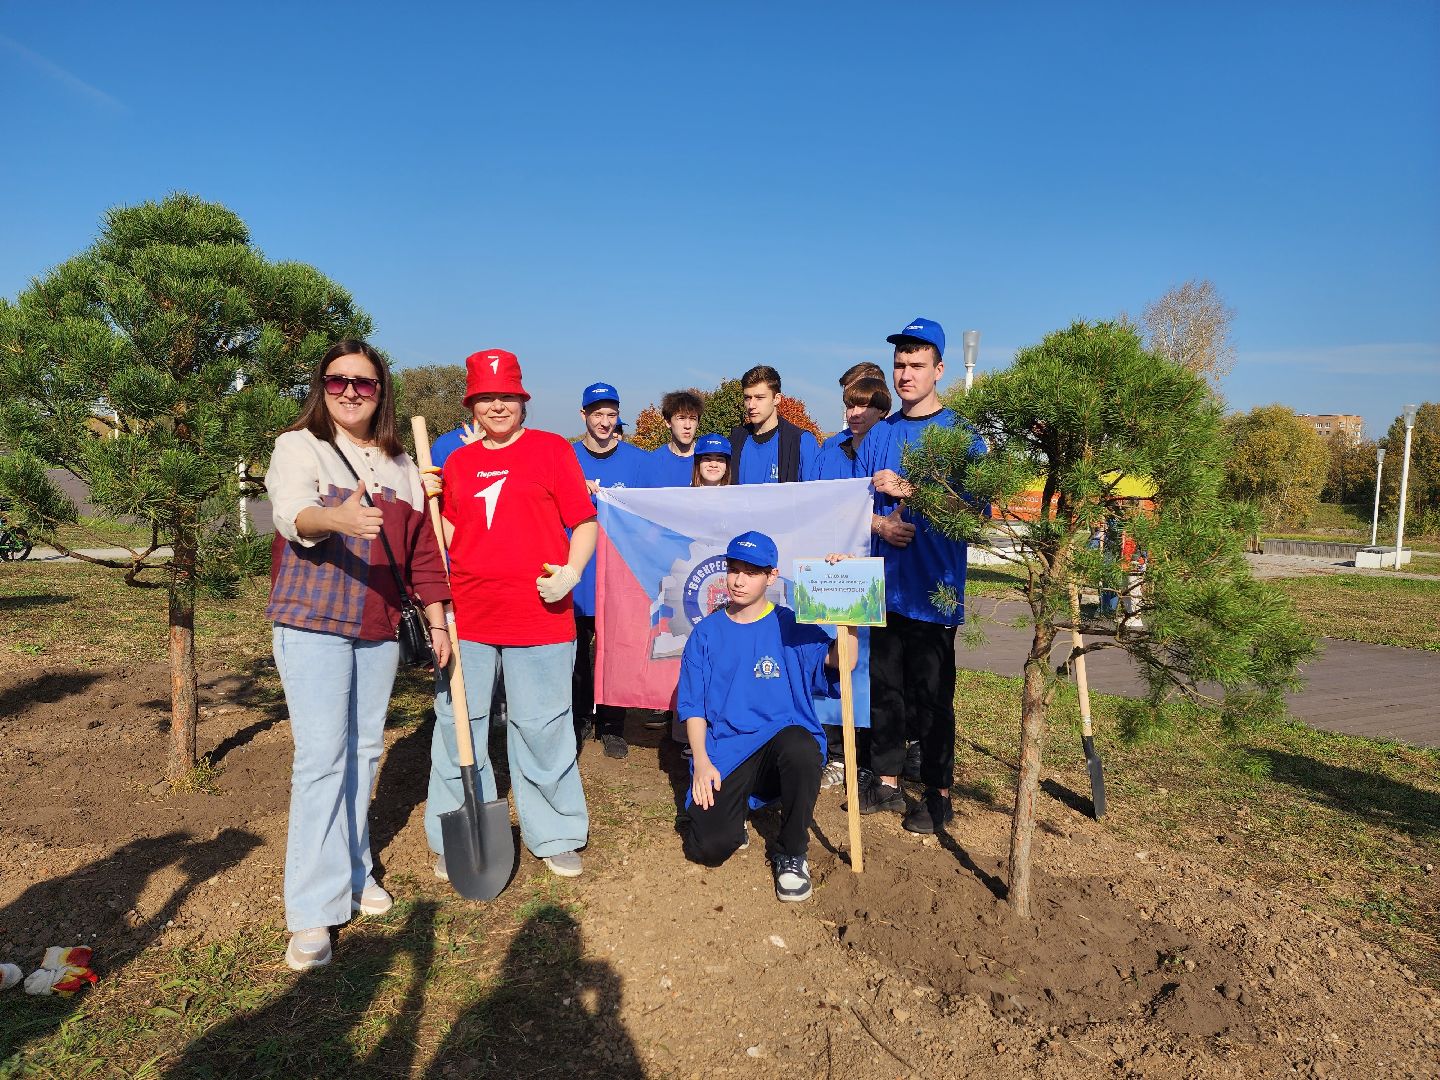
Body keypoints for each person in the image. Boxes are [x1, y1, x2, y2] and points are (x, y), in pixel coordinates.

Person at [265, 339, 452, 972]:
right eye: (338, 380)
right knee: (322, 758)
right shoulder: (300, 447)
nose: (350, 390)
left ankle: (352, 868)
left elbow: (422, 552)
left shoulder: (402, 465)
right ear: (321, 386)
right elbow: (292, 515)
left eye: (364, 383)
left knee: (365, 751)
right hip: (313, 620)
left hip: (377, 622)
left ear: (381, 393)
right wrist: (334, 520)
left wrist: (437, 618)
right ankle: (311, 910)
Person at [424, 348, 596, 881]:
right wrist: (429, 500)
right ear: (471, 405)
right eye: (485, 398)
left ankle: (557, 830)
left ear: (523, 401)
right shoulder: (456, 462)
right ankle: (452, 830)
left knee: (542, 726)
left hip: (540, 615)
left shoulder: (552, 451)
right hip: (469, 617)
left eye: (507, 397)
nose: (496, 406)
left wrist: (570, 571)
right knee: (458, 727)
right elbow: (451, 537)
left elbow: (584, 523)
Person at [854, 317, 986, 834]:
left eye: (916, 365)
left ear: (940, 370)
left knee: (932, 698)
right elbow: (846, 506)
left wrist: (920, 492)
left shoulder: (962, 437)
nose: (905, 375)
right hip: (881, 590)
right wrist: (879, 518)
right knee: (884, 688)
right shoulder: (878, 435)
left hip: (933, 593)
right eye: (900, 365)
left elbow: (979, 512)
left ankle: (937, 793)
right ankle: (886, 781)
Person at [678, 531, 856, 902]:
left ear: (771, 576)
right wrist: (701, 762)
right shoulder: (707, 632)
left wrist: (849, 610)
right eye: (734, 570)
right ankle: (736, 810)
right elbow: (693, 707)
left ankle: (792, 852)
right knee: (707, 848)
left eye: (752, 572)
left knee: (801, 750)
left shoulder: (791, 624)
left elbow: (843, 662)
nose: (739, 580)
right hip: (729, 749)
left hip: (782, 741)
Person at [811, 375, 891, 788]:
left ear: (883, 410)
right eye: (850, 405)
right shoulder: (827, 449)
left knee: (871, 669)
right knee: (834, 659)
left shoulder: (891, 446)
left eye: (866, 406)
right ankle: (836, 754)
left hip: (874, 572)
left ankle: (872, 756)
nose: (856, 413)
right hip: (832, 571)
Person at [571, 382, 652, 758]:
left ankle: (612, 724)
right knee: (575, 655)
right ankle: (577, 719)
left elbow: (649, 517)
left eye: (611, 415)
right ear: (583, 415)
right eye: (597, 414)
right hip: (576, 573)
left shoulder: (637, 461)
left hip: (618, 575)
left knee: (615, 650)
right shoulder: (565, 457)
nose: (604, 422)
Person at [728, 365, 819, 484]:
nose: (751, 405)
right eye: (747, 398)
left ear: (777, 399)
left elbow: (815, 495)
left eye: (759, 398)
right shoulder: (734, 441)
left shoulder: (801, 442)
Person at [647, 390, 704, 487]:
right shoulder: (652, 461)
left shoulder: (708, 462)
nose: (687, 425)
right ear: (668, 422)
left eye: (692, 418)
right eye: (681, 418)